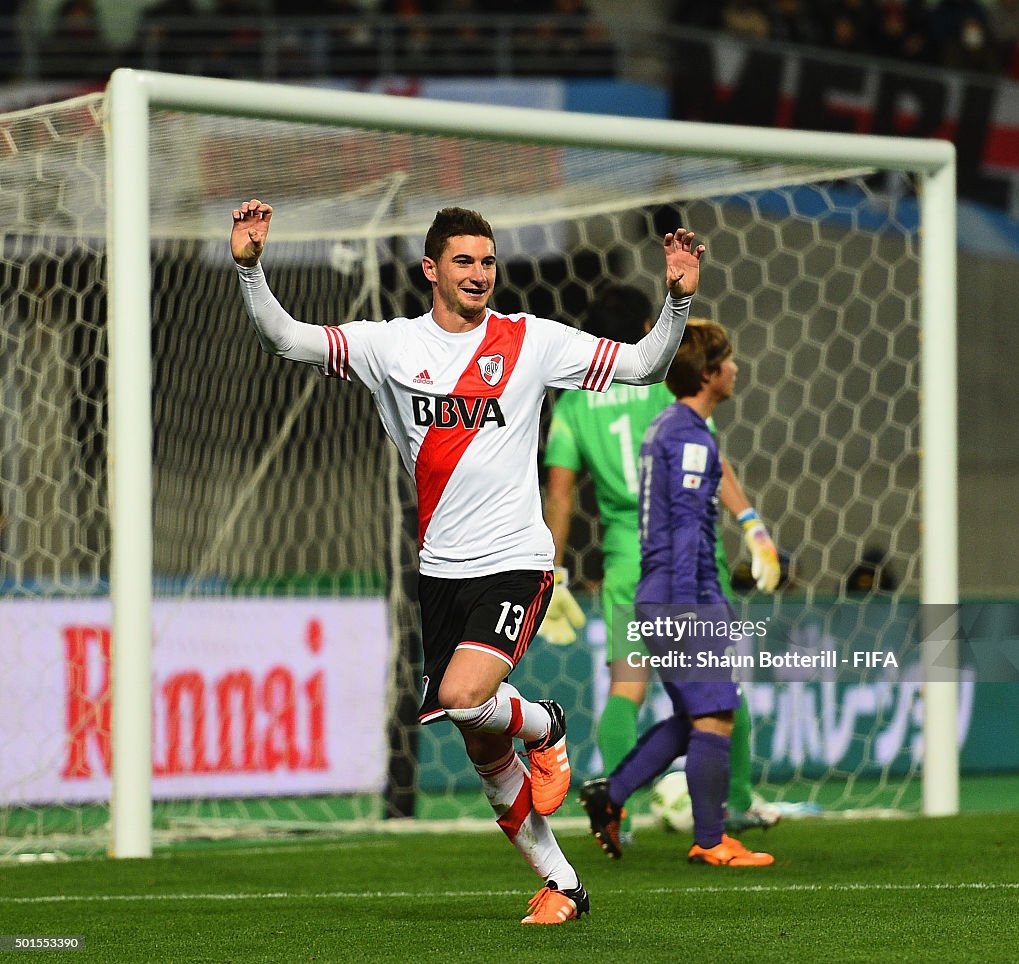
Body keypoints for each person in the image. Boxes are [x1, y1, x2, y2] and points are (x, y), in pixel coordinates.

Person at [230, 199, 704, 923]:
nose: (480, 273)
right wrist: (251, 268)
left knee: (461, 696)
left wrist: (677, 301)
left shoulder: (531, 341)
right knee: (485, 754)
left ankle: (547, 724)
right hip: (440, 572)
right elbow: (284, 341)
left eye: (487, 261)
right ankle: (563, 883)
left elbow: (643, 366)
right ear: (431, 270)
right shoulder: (390, 346)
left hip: (515, 559)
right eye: (464, 261)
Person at [540, 291, 782, 837]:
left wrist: (552, 571)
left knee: (626, 689)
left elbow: (560, 496)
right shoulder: (670, 390)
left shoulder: (576, 404)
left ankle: (616, 811)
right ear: (649, 326)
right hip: (690, 561)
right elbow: (714, 467)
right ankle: (731, 808)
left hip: (628, 562)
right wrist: (753, 528)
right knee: (719, 691)